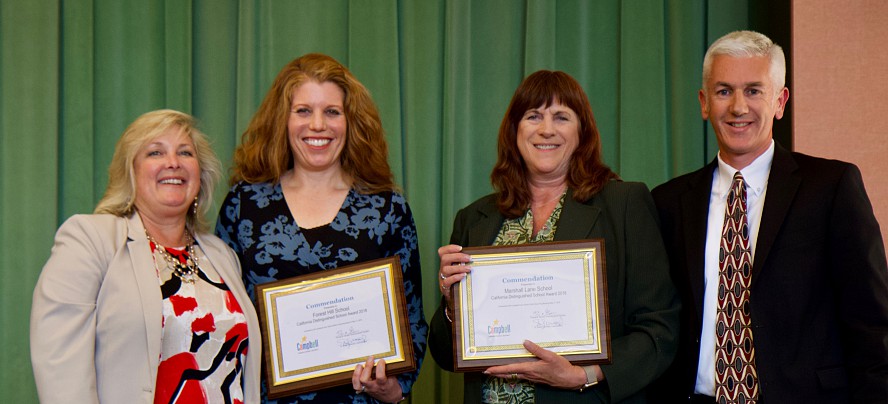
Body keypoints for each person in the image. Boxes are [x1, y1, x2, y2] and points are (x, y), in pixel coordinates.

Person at [651, 30, 888, 403]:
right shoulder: (668, 202)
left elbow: (872, 324)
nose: (738, 107)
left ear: (780, 101)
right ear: (703, 102)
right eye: (724, 91)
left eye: (754, 90)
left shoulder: (831, 188)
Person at [428, 70, 680, 403]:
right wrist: (451, 304)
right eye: (533, 116)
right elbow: (447, 356)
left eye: (561, 117)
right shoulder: (475, 219)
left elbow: (658, 330)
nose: (546, 129)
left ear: (582, 132)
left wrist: (584, 376)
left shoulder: (624, 205)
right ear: (515, 131)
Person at [215, 53, 428, 404]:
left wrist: (395, 388)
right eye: (303, 111)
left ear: (351, 122)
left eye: (332, 111)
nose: (318, 125)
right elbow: (224, 313)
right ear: (282, 120)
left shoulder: (387, 208)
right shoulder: (245, 205)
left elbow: (413, 320)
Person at [30, 109, 261, 403]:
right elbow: (59, 367)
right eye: (155, 153)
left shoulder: (221, 255)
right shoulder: (90, 240)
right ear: (130, 172)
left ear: (201, 176)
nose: (173, 163)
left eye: (185, 153)